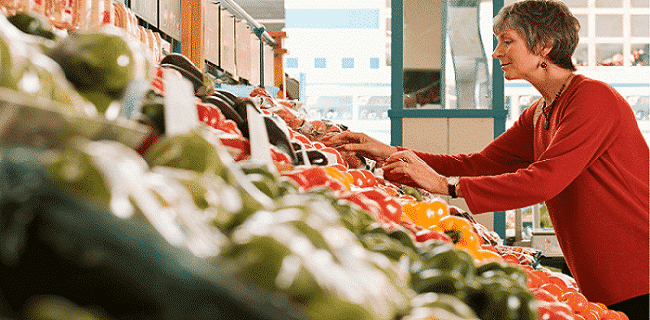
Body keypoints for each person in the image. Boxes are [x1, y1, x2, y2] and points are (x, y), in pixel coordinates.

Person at [321, 1, 649, 319]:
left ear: (545, 45)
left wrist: (444, 186)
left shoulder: (593, 98)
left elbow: (545, 180)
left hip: (639, 272)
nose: (496, 53)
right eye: (497, 42)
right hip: (601, 279)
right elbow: (479, 164)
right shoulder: (539, 112)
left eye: (507, 41)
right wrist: (390, 152)